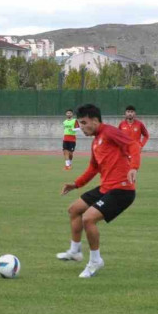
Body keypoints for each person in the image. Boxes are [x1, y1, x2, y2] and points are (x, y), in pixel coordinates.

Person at [57, 104, 141, 278]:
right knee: (74, 209)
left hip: (122, 189)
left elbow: (133, 144)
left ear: (95, 120)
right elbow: (93, 168)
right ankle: (75, 251)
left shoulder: (109, 132)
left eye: (83, 122)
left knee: (88, 218)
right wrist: (76, 184)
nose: (80, 127)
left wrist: (134, 167)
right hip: (106, 188)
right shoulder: (96, 141)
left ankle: (95, 261)